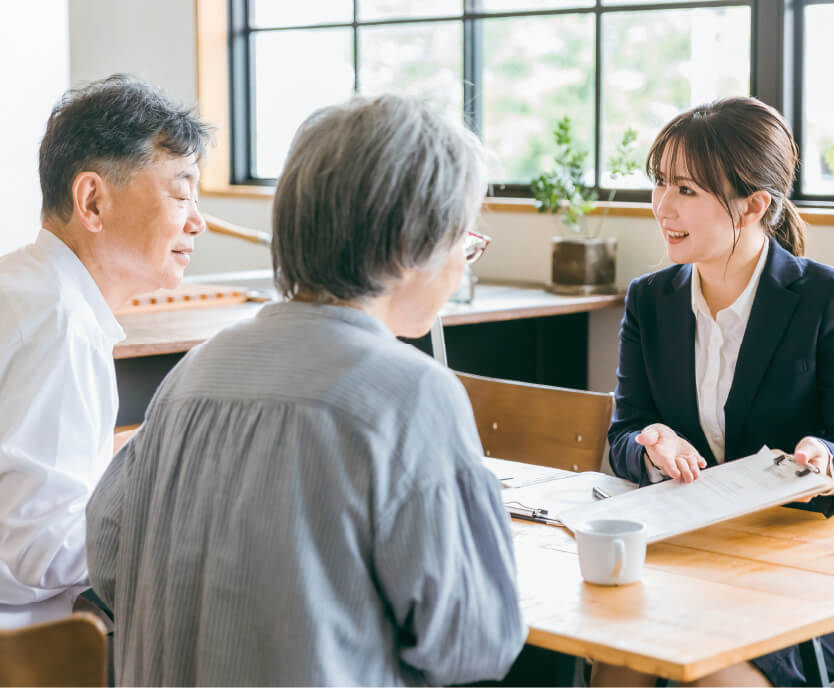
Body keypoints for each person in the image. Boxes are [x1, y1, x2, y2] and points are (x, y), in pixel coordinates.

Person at [86, 94, 527, 686]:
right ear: (411, 244)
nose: (461, 265)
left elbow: (109, 559)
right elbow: (474, 642)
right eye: (462, 240)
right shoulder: (410, 393)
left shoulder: (194, 373)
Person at [596, 96, 834, 686]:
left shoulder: (831, 300)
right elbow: (622, 436)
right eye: (660, 183)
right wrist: (648, 442)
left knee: (709, 674)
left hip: (811, 576)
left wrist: (828, 461)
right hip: (693, 556)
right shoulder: (650, 300)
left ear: (755, 204)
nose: (662, 206)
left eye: (687, 190)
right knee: (618, 657)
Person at [0, 74, 210, 628]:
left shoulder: (26, 285)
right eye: (181, 192)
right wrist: (175, 512)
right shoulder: (59, 325)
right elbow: (40, 552)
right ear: (92, 200)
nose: (198, 221)